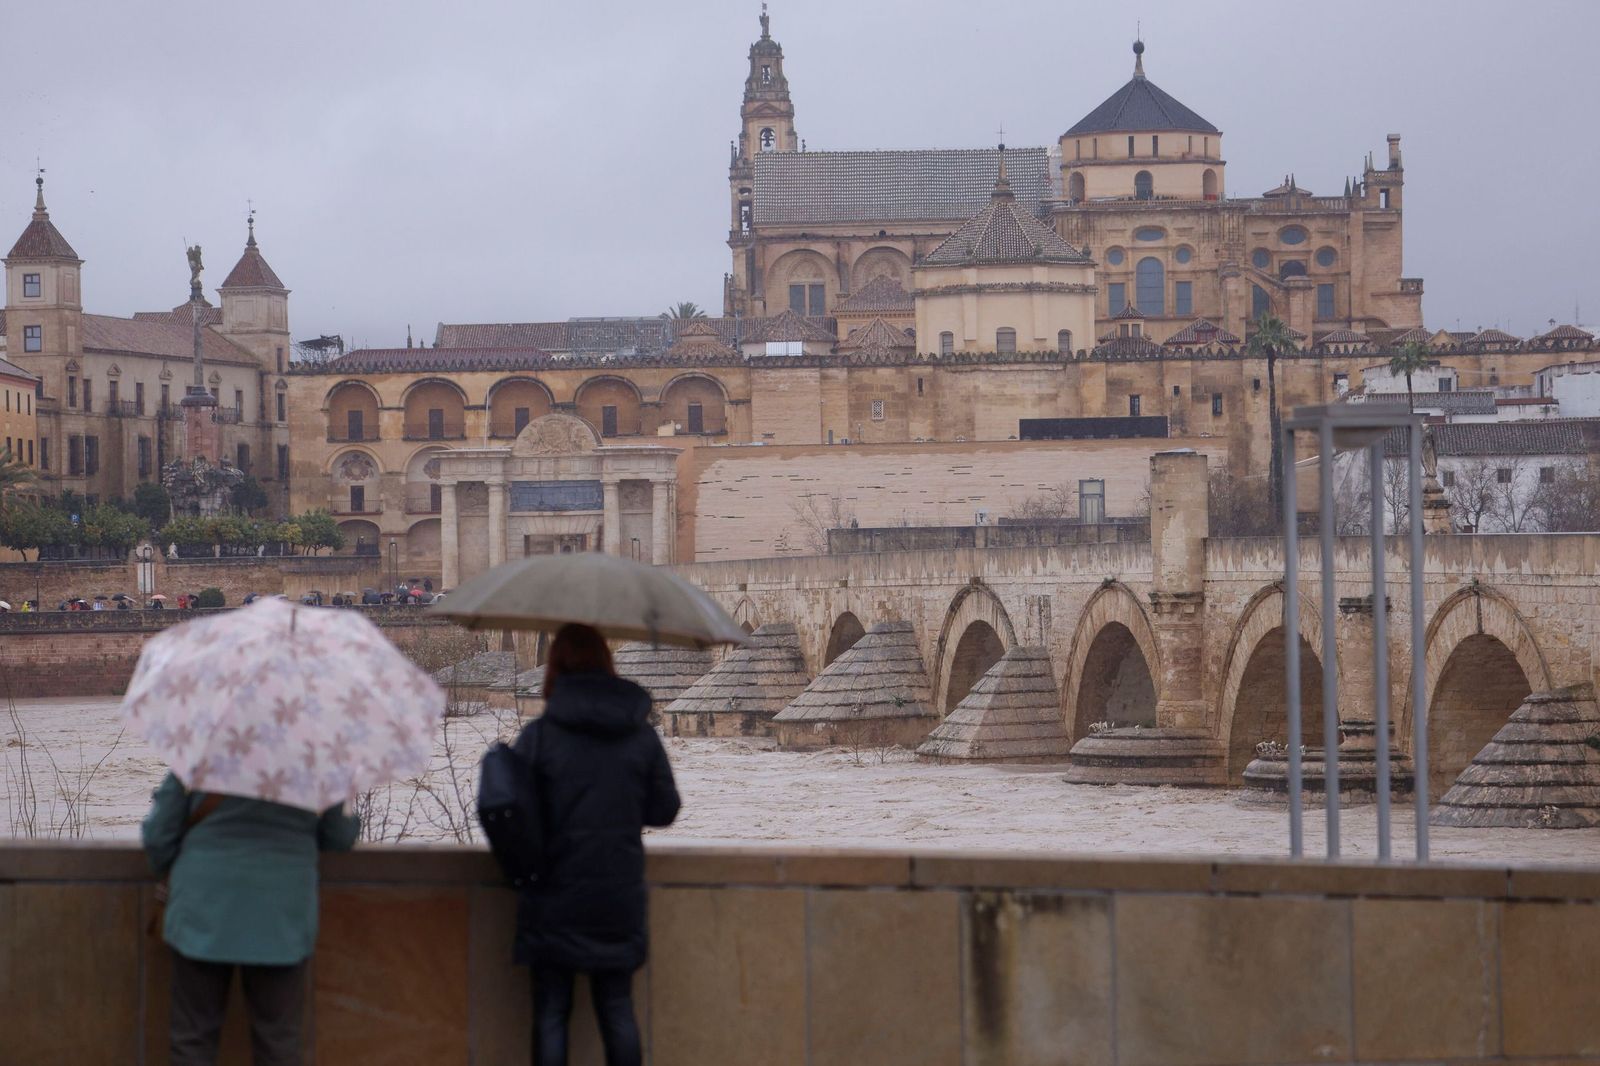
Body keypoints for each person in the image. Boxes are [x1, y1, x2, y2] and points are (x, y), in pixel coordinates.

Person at [512, 623, 679, 1066]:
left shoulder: (539, 738)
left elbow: (515, 812)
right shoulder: (640, 735)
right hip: (616, 892)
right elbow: (664, 809)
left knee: (552, 1011)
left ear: (554, 669)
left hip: (552, 891)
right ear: (608, 664)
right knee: (617, 1008)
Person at [142, 775, 359, 1064]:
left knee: (192, 1040)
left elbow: (158, 836)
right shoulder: (313, 762)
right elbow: (339, 837)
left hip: (203, 906)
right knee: (278, 1042)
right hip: (280, 912)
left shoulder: (201, 756)